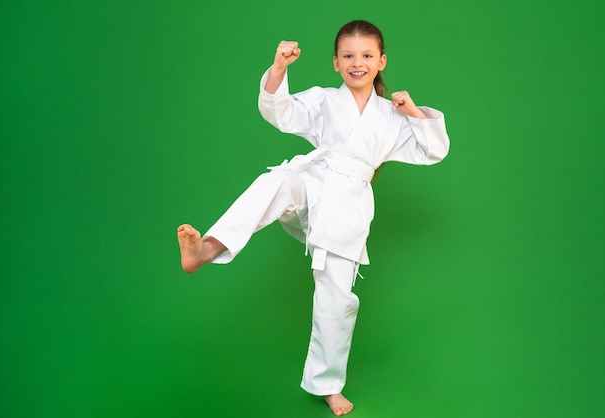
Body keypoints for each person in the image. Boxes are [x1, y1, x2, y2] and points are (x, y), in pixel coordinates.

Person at [177, 19, 450, 416]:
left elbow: (434, 150)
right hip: (316, 181)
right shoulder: (324, 100)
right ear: (336, 63)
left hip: (349, 207)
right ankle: (207, 248)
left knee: (337, 301)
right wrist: (280, 68)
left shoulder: (391, 116)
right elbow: (280, 112)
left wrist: (414, 111)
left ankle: (327, 384)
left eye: (367, 55)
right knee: (279, 181)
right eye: (349, 56)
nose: (358, 62)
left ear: (381, 61)